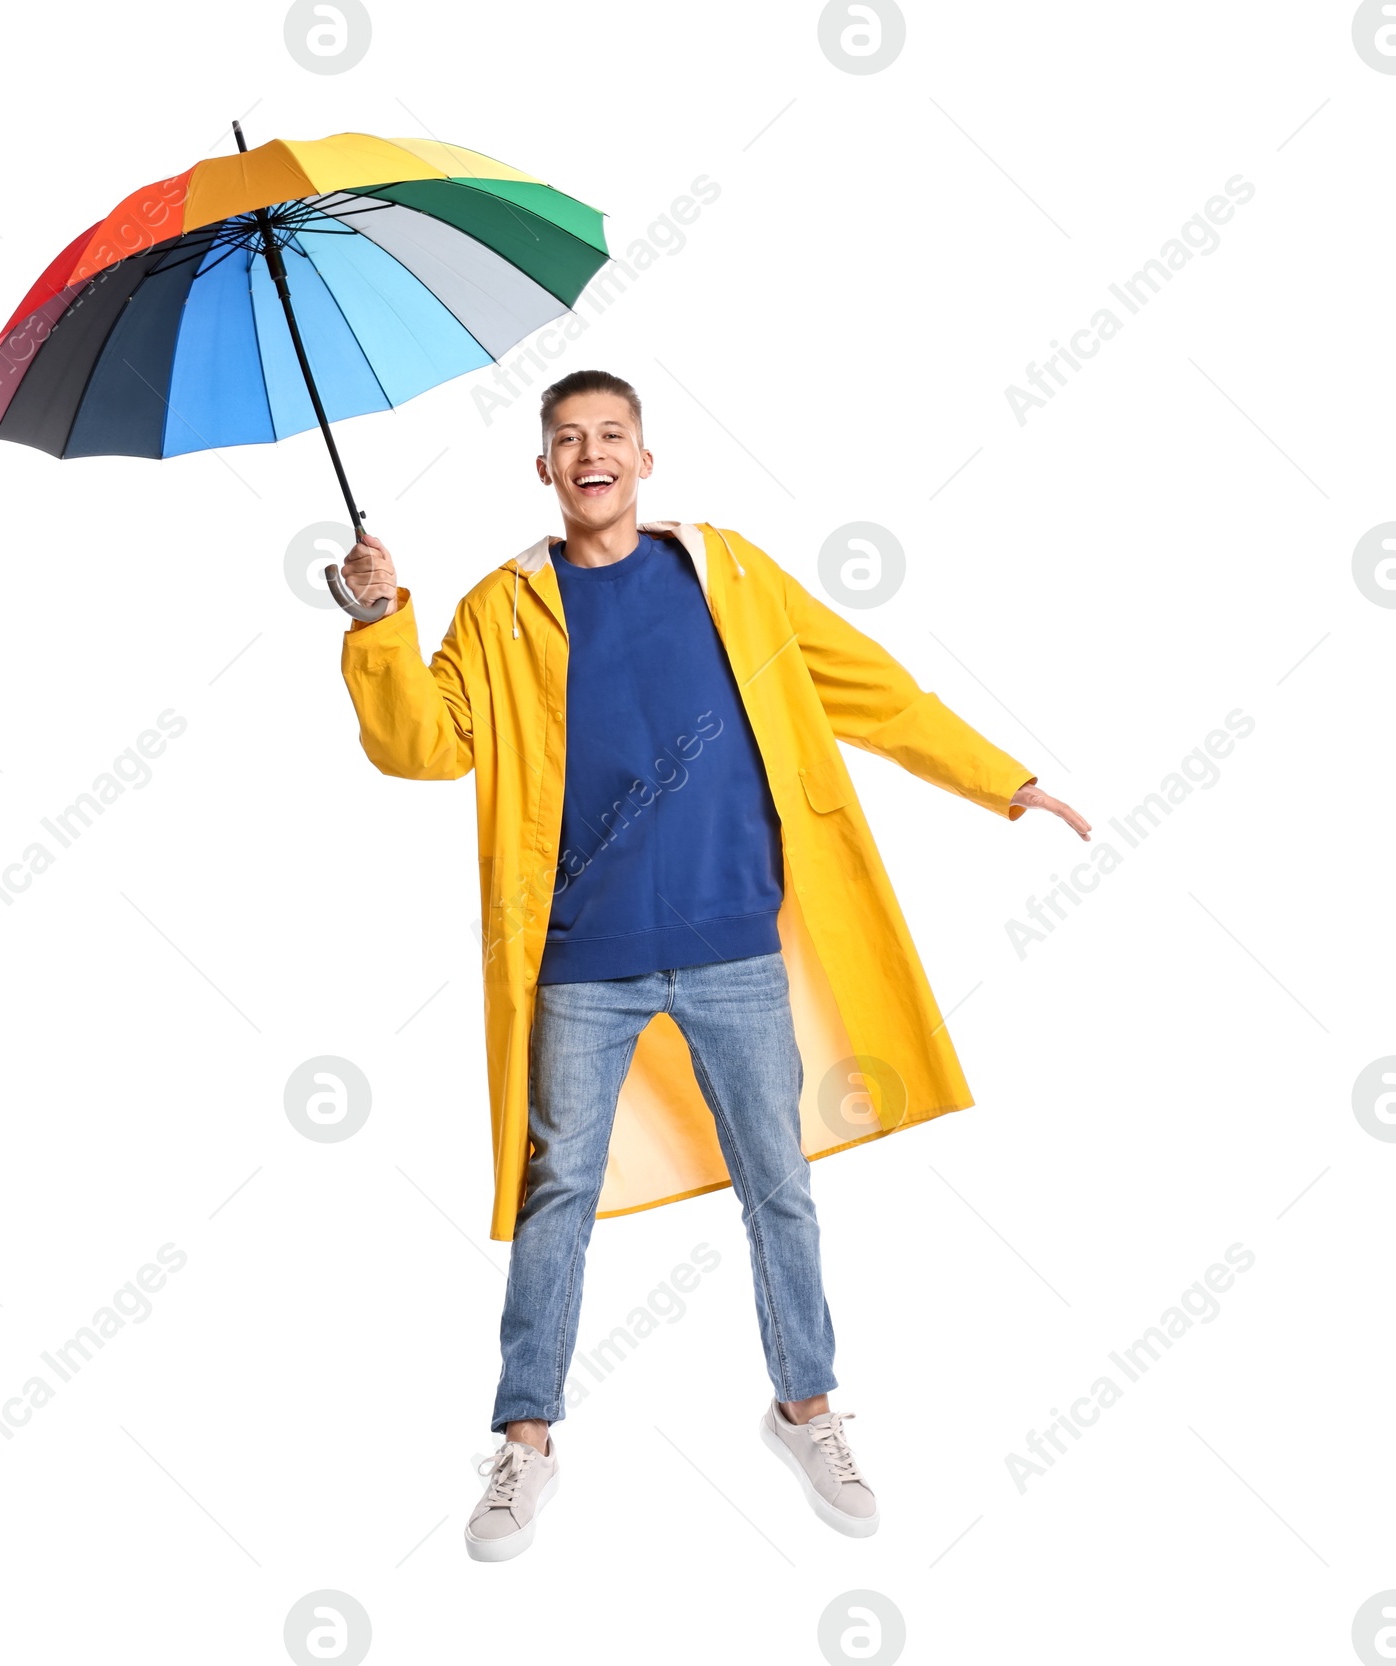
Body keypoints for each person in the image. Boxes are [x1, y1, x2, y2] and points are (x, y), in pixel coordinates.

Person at [339, 369, 1089, 1563]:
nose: (592, 455)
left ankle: (806, 1408)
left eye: (612, 437)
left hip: (735, 942)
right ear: (542, 470)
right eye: (568, 440)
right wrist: (379, 622)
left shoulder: (727, 573)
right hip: (583, 961)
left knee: (778, 1186)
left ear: (645, 459)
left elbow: (869, 686)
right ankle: (524, 1439)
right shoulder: (499, 609)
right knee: (555, 1200)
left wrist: (999, 775)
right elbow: (422, 746)